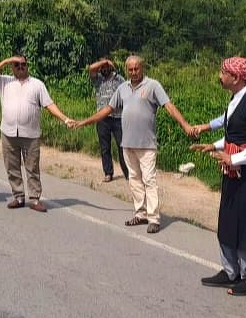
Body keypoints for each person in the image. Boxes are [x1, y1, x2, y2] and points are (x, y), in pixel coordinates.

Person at [72, 55, 194, 234]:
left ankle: (153, 218)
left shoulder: (153, 85)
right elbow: (106, 110)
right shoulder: (122, 88)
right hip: (127, 143)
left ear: (142, 68)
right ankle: (141, 212)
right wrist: (83, 122)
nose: (134, 72)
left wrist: (185, 125)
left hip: (146, 144)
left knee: (149, 180)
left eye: (137, 68)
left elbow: (169, 106)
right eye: (130, 69)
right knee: (134, 180)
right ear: (126, 69)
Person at [191, 57, 246, 296]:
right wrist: (215, 145)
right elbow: (237, 135)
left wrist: (235, 159)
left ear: (236, 77)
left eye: (223, 72)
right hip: (233, 172)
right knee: (228, 220)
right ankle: (230, 271)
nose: (220, 76)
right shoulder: (236, 99)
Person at [0, 54, 75, 213]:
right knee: (12, 166)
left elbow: (49, 104)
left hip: (30, 134)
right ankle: (18, 196)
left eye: (23, 64)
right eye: (16, 65)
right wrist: (6, 61)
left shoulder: (37, 85)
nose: (20, 67)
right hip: (8, 132)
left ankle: (34, 199)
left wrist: (65, 119)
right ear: (12, 67)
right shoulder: (5, 81)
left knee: (32, 167)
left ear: (28, 66)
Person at [87, 57, 129, 182]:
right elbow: (90, 68)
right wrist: (102, 62)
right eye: (102, 67)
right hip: (102, 118)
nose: (104, 69)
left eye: (106, 66)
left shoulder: (119, 79)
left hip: (118, 117)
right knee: (105, 147)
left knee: (122, 146)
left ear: (111, 67)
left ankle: (128, 173)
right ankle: (108, 172)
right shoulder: (98, 79)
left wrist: (110, 63)